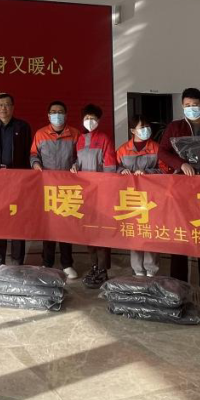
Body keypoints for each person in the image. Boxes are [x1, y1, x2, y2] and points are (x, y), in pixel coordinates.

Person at [158, 87, 200, 303]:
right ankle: (177, 285)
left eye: (195, 105)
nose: (191, 108)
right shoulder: (175, 127)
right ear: (182, 106)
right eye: (187, 105)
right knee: (180, 235)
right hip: (181, 189)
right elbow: (162, 152)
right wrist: (181, 164)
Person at [0, 93, 32, 273]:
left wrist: (26, 177)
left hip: (18, 180)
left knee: (18, 219)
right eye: (0, 105)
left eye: (7, 104)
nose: (3, 108)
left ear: (13, 107)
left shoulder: (23, 127)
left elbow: (29, 152)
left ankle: (17, 260)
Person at [30, 101, 80, 279]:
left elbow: (80, 156)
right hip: (48, 186)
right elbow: (33, 154)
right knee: (49, 225)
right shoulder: (40, 134)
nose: (57, 114)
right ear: (48, 115)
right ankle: (47, 262)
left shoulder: (74, 134)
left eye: (60, 111)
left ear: (66, 115)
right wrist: (35, 164)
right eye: (53, 112)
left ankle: (67, 263)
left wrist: (76, 165)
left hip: (68, 187)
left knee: (66, 225)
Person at [76, 103, 116, 288]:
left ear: (98, 120)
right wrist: (74, 166)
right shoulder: (80, 139)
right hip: (85, 194)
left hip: (101, 194)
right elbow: (77, 161)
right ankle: (93, 266)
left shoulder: (104, 139)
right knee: (88, 232)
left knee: (101, 232)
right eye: (86, 118)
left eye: (93, 118)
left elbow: (110, 166)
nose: (89, 121)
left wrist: (106, 190)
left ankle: (103, 269)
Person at [117, 115, 161, 277]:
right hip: (131, 198)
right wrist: (121, 171)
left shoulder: (156, 148)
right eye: (142, 127)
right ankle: (137, 270)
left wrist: (148, 172)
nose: (146, 130)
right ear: (132, 130)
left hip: (151, 198)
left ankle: (151, 270)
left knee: (149, 232)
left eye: (147, 126)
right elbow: (113, 168)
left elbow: (165, 170)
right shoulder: (123, 150)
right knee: (134, 232)